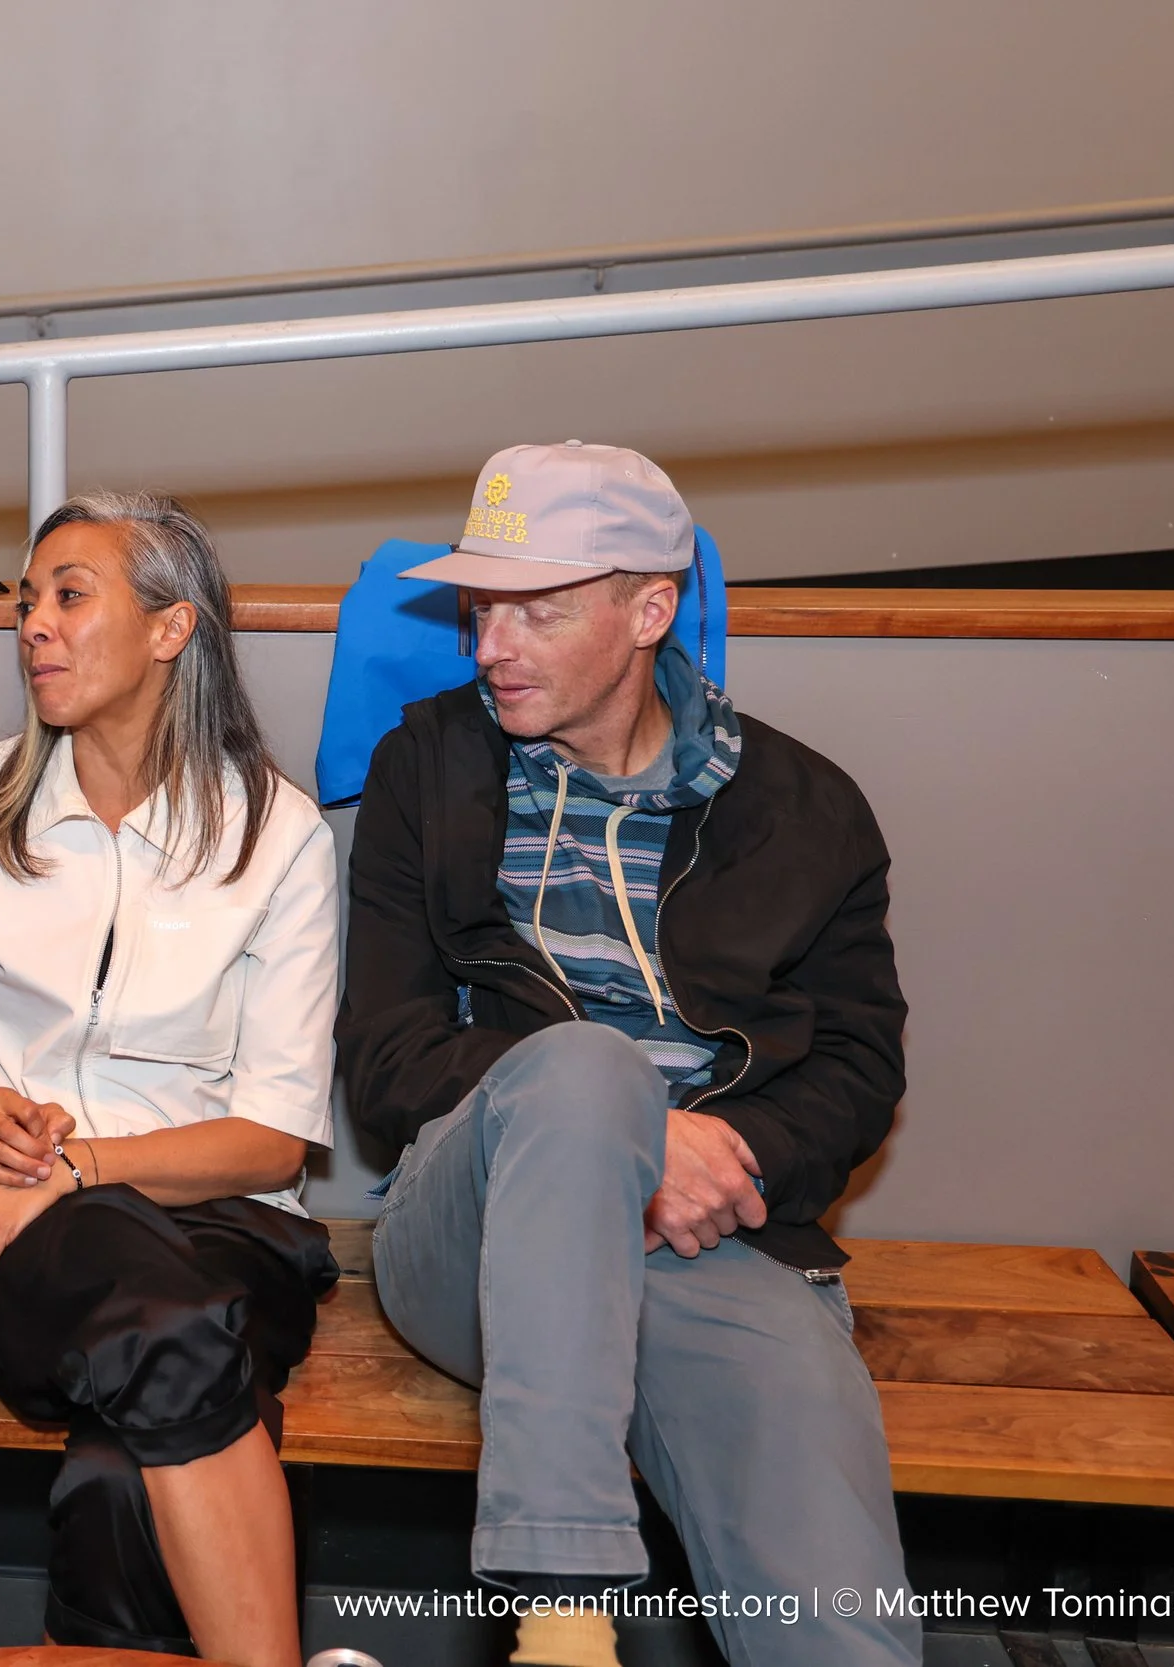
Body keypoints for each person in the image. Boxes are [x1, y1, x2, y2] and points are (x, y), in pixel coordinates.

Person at [337, 442, 918, 1667]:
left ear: (650, 608)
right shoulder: (425, 770)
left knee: (838, 1635)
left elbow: (860, 1067)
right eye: (479, 606)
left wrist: (725, 1153)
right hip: (479, 1229)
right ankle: (560, 1615)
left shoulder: (809, 809)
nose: (489, 643)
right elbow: (387, 1060)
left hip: (714, 1239)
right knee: (589, 1067)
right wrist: (611, 1129)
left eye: (535, 610)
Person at [0, 492, 341, 1667]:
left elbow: (273, 1141)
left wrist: (70, 1170)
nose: (32, 625)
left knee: (124, 1480)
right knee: (178, 1336)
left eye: (70, 596)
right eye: (26, 601)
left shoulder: (276, 836)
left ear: (172, 630)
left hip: (217, 1227)